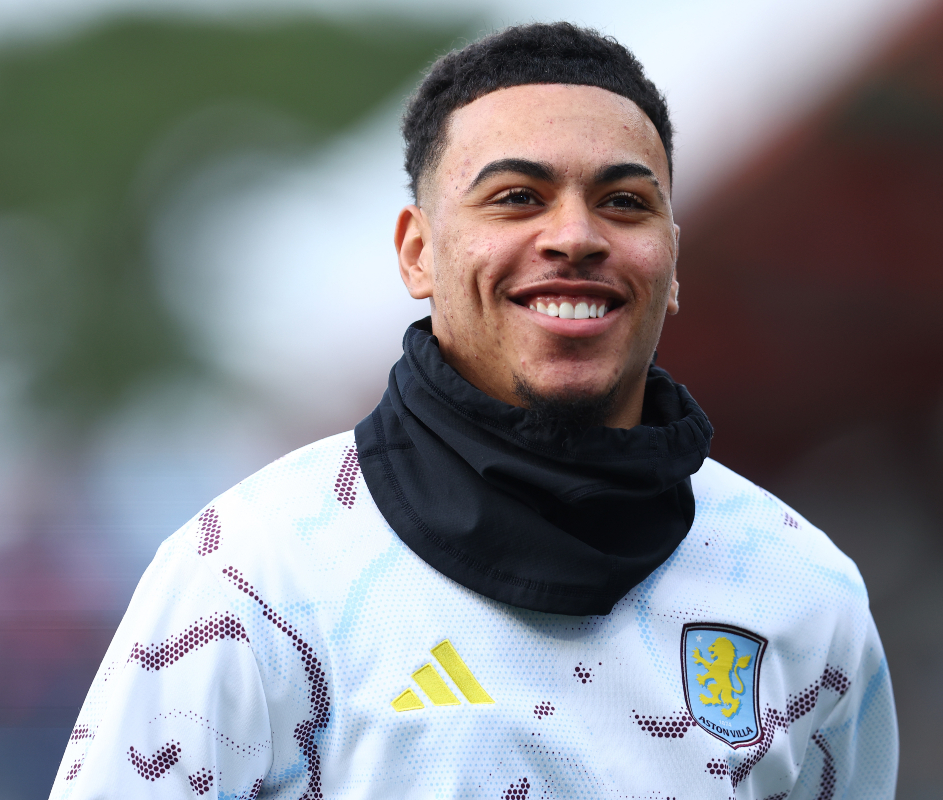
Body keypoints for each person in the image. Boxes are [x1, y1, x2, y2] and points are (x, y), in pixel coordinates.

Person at [51, 22, 897, 799]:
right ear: (418, 253)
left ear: (672, 262)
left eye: (625, 203)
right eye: (518, 197)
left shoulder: (802, 592)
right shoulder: (249, 577)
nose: (576, 236)